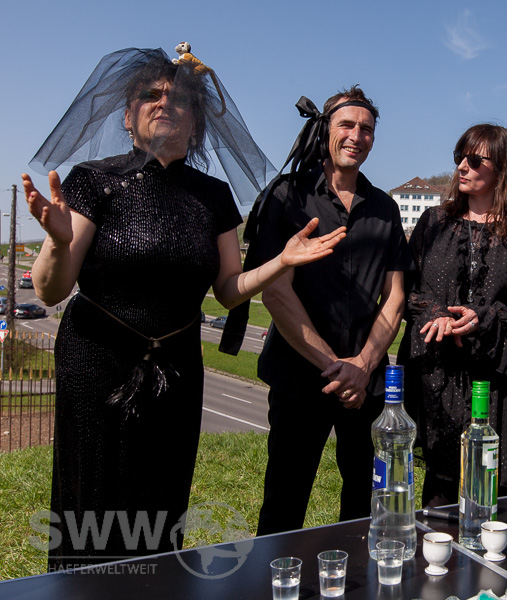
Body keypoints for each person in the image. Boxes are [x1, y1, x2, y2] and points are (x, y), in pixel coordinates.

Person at [21, 48, 345, 570]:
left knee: (163, 490)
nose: (164, 103)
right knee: (93, 493)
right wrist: (59, 243)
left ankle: (155, 584)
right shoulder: (92, 180)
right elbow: (48, 291)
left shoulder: (213, 195)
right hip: (97, 360)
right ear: (127, 117)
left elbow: (228, 289)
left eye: (179, 99)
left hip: (176, 366)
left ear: (196, 124)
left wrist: (281, 262)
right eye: (150, 95)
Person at [246, 86, 412, 535]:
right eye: (347, 125)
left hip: (366, 383)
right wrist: (337, 367)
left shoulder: (385, 208)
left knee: (365, 503)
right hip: (301, 377)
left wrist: (363, 365)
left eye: (367, 129)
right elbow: (275, 293)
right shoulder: (288, 196)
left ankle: (357, 573)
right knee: (284, 504)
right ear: (325, 130)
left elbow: (395, 297)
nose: (357, 136)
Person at [398, 124, 507, 507]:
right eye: (459, 157)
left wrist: (485, 318)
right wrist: (435, 312)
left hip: (492, 377)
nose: (462, 167)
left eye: (473, 159)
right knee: (438, 489)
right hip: (435, 371)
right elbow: (408, 289)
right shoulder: (433, 222)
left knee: (488, 488)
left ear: (501, 168)